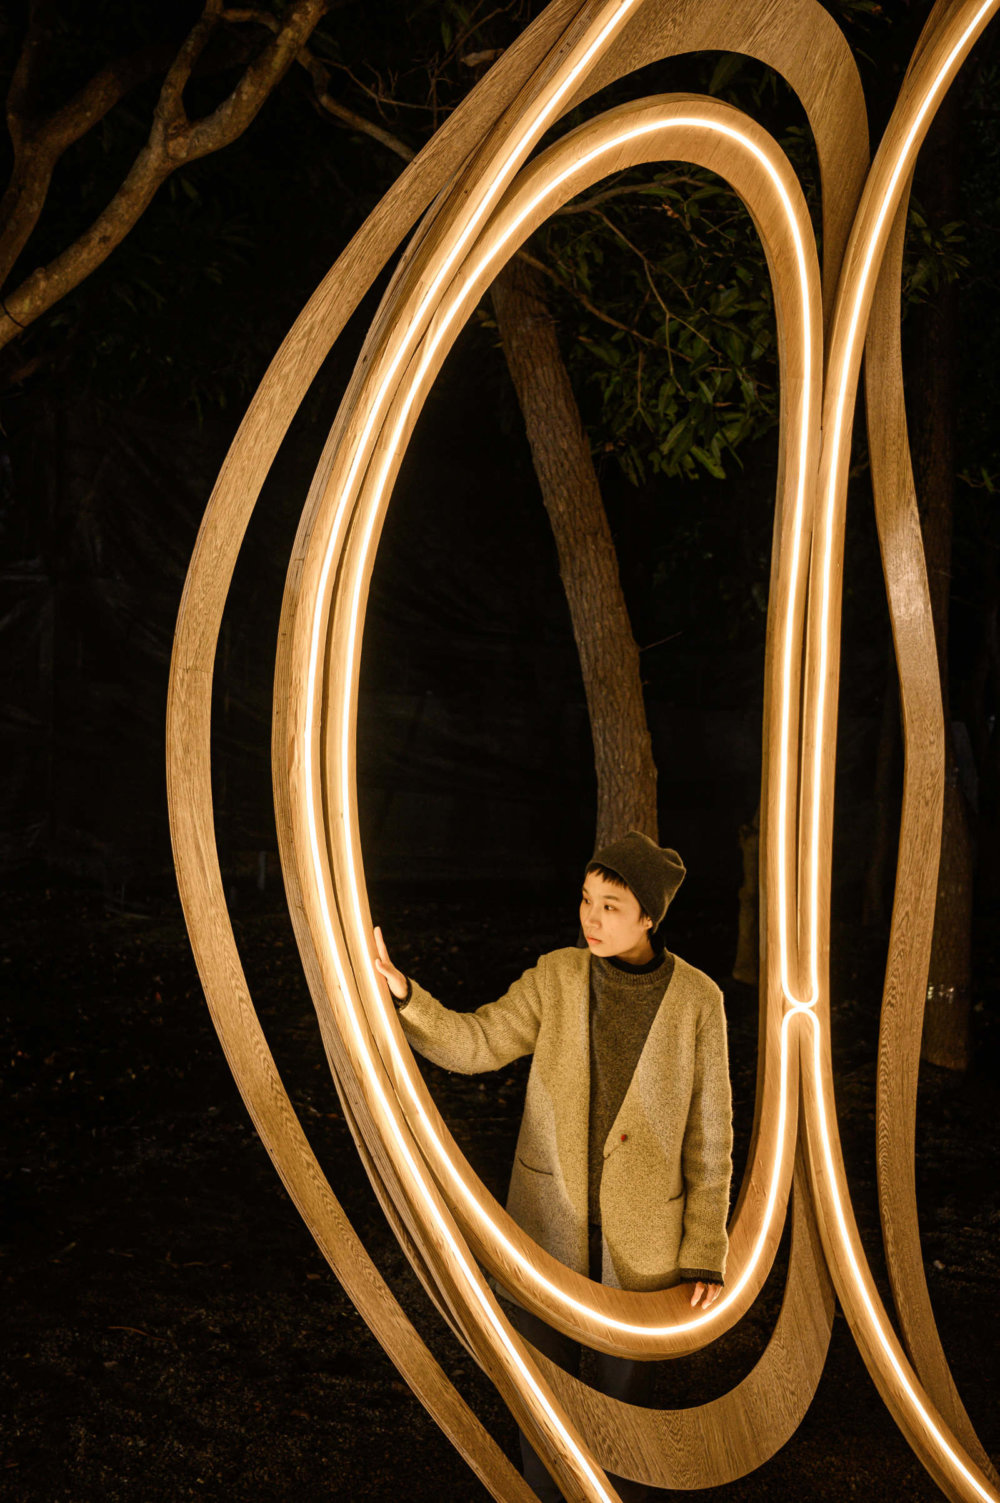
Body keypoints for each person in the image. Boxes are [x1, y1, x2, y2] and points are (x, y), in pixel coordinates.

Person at [373, 831, 733, 1503]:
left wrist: (704, 1251)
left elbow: (709, 1141)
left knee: (626, 1425)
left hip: (644, 1252)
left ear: (649, 918)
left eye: (611, 907)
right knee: (542, 1409)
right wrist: (404, 996)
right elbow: (478, 1041)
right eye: (586, 899)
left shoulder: (698, 1001)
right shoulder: (557, 976)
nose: (591, 918)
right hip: (545, 1237)